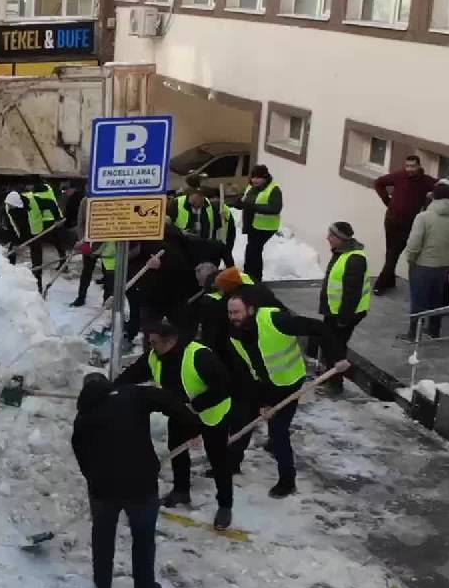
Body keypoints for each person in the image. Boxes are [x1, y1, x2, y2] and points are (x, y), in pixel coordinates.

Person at [71, 372, 198, 588]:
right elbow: (167, 399)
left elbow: (81, 455)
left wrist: (94, 479)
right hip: (142, 484)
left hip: (103, 491)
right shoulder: (132, 395)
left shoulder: (83, 417)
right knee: (144, 539)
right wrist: (193, 426)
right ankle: (145, 585)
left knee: (103, 540)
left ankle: (102, 585)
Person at [115, 321, 237, 529]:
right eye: (149, 341)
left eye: (154, 342)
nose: (150, 346)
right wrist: (111, 388)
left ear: (171, 340)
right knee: (177, 448)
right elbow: (134, 374)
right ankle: (181, 491)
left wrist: (196, 406)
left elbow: (224, 386)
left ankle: (225, 505)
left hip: (211, 413)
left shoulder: (199, 356)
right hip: (181, 412)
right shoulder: (155, 356)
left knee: (218, 459)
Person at [226, 291, 337, 498]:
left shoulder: (275, 320)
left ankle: (287, 481)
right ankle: (231, 465)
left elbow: (319, 327)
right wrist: (261, 402)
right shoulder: (236, 333)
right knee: (242, 421)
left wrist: (336, 358)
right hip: (263, 383)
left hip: (288, 383)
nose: (233, 317)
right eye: (230, 313)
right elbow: (250, 368)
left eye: (237, 312)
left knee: (278, 433)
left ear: (250, 309)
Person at [401, 183, 449, 340]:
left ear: (433, 196)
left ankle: (413, 334)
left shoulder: (424, 217)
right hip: (444, 266)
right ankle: (434, 330)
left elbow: (414, 243)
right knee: (437, 299)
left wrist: (410, 258)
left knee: (418, 300)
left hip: (422, 265)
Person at [318, 222, 372, 396]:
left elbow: (352, 293)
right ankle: (331, 378)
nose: (327, 238)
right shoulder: (341, 253)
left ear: (340, 239)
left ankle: (335, 384)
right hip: (335, 311)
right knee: (330, 345)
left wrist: (343, 319)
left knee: (336, 347)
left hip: (344, 314)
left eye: (331, 235)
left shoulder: (355, 258)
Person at [373, 155, 438, 294]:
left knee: (393, 253)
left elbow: (443, 187)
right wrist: (387, 201)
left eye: (413, 166)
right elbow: (378, 183)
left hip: (408, 223)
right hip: (391, 221)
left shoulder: (426, 181)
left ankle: (381, 284)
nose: (409, 169)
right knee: (391, 252)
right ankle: (388, 281)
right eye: (407, 166)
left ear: (419, 166)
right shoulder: (399, 176)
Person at [231, 165, 282, 282]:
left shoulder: (274, 189)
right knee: (253, 251)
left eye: (259, 178)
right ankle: (251, 276)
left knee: (253, 251)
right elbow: (244, 202)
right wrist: (238, 202)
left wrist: (253, 207)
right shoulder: (250, 187)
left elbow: (275, 208)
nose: (255, 180)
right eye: (253, 177)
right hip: (252, 225)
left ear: (265, 178)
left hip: (265, 227)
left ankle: (254, 277)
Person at [3, 191, 33, 267]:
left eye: (10, 205)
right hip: (18, 228)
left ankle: (35, 264)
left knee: (34, 245)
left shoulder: (24, 211)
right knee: (13, 244)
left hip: (33, 228)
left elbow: (25, 226)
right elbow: (13, 227)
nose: (8, 206)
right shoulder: (10, 210)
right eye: (8, 204)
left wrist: (23, 239)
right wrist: (16, 242)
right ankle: (10, 264)